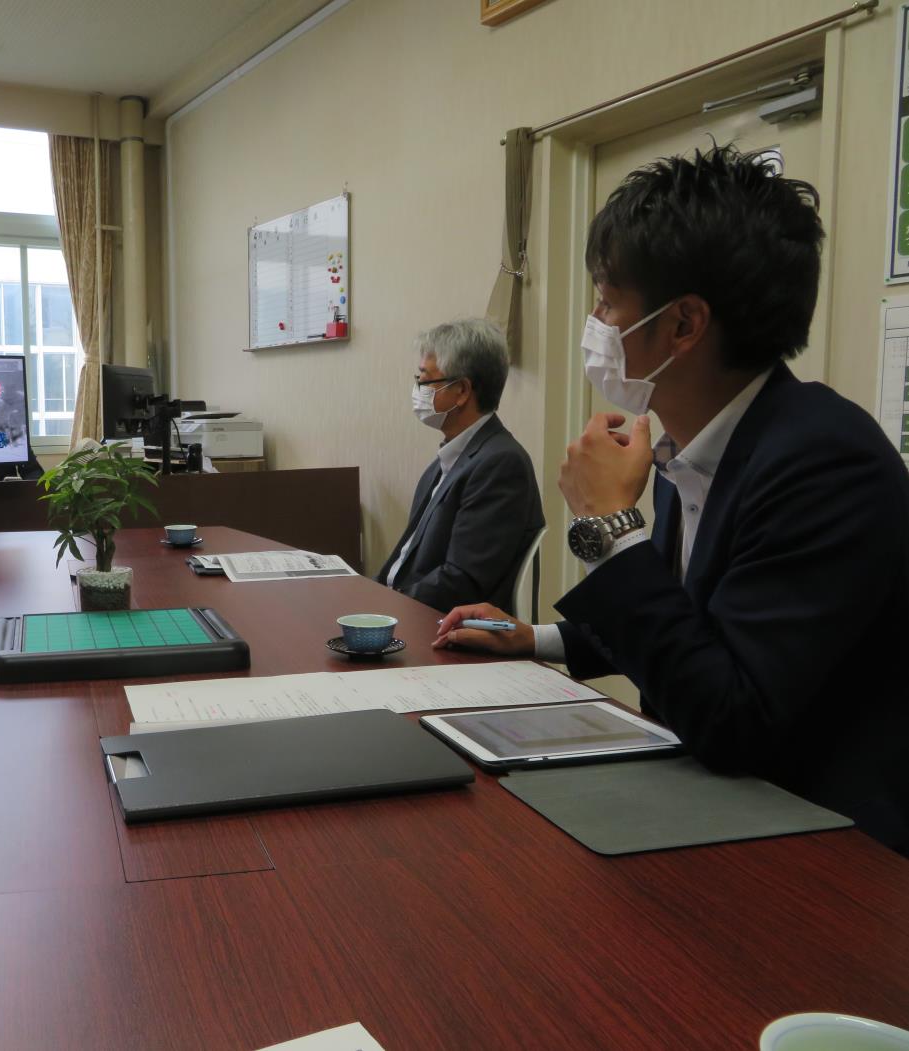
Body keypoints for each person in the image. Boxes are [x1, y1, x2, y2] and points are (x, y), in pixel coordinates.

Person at [435, 145, 909, 852]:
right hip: (720, 810)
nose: (594, 322)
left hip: (822, 847)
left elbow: (728, 714)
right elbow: (688, 614)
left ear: (683, 324)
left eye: (606, 300)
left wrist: (609, 524)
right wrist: (535, 638)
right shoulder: (692, 445)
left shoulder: (823, 458)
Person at [377, 318, 543, 614]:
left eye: (424, 380)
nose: (417, 390)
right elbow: (404, 560)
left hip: (447, 632)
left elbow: (462, 582)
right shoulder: (447, 461)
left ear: (462, 391)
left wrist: (388, 608)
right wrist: (366, 595)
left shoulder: (501, 464)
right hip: (411, 614)